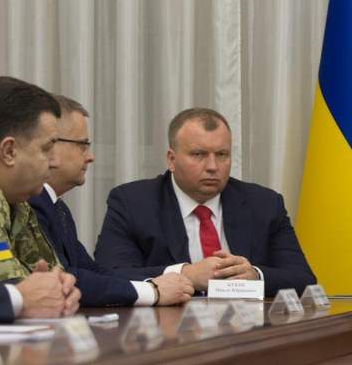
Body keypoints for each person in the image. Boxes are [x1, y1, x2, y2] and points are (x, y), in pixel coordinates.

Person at [94, 108, 316, 296]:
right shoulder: (133, 203)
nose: (212, 166)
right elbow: (110, 275)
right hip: (168, 328)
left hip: (248, 327)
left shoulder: (264, 204)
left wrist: (254, 276)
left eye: (222, 154)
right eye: (198, 154)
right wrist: (185, 274)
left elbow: (303, 279)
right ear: (171, 160)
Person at [29, 95, 194, 307]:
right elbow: (65, 278)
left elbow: (94, 272)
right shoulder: (31, 203)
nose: (90, 157)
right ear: (51, 145)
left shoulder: (57, 207)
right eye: (82, 145)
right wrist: (152, 291)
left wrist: (163, 282)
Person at [0, 76, 80, 318]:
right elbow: (6, 283)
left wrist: (64, 289)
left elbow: (49, 278)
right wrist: (27, 296)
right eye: (47, 148)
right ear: (9, 151)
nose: (55, 162)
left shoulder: (13, 195)